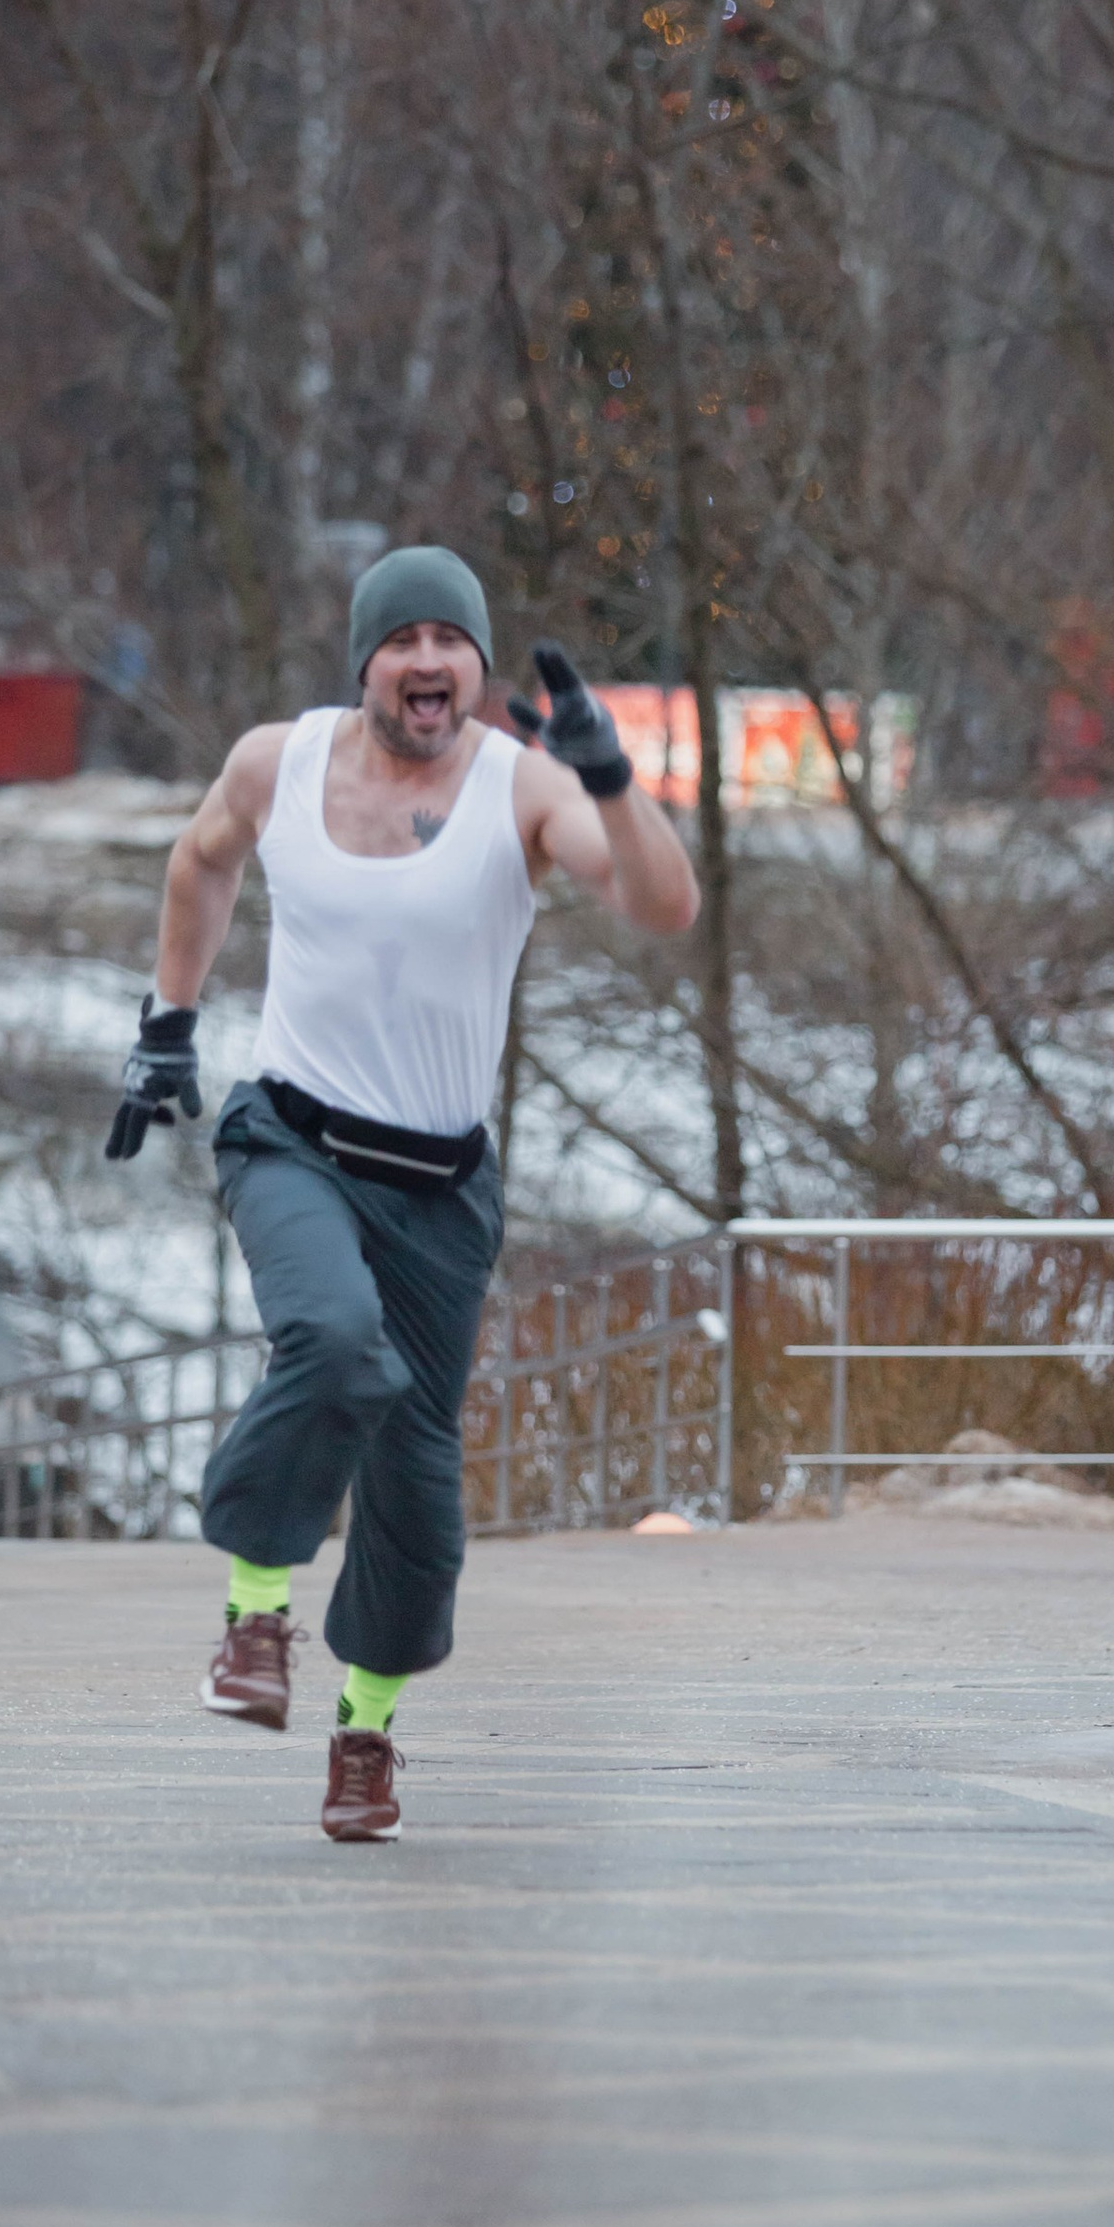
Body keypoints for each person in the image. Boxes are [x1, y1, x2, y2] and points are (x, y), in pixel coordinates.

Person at [106, 546, 699, 1840]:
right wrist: (168, 1023)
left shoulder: (524, 785)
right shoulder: (282, 762)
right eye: (403, 640)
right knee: (328, 1342)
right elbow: (198, 862)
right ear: (367, 662)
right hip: (293, 1139)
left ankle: (365, 1734)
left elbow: (664, 907)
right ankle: (254, 1612)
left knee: (419, 1496)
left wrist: (612, 777)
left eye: (453, 642)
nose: (428, 662)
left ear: (478, 671)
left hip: (441, 1188)